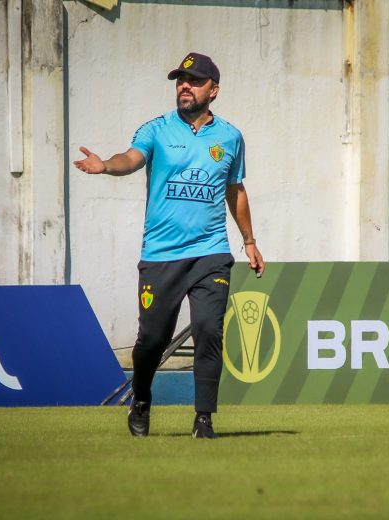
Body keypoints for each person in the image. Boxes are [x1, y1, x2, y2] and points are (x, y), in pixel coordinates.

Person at [74, 52, 265, 439]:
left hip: (211, 254)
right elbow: (131, 158)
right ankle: (141, 398)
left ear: (213, 90)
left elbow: (235, 190)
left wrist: (249, 240)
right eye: (180, 79)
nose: (184, 86)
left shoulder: (230, 137)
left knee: (209, 330)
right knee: (153, 340)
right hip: (161, 256)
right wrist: (106, 166)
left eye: (194, 81)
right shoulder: (156, 129)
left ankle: (204, 420)